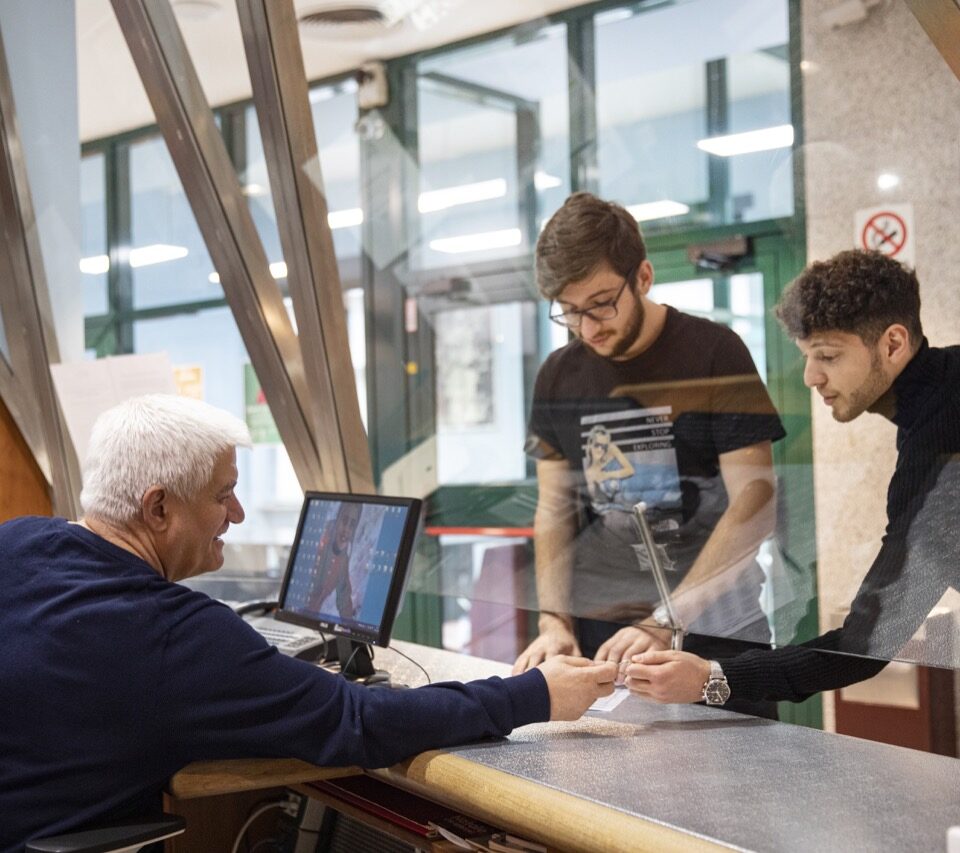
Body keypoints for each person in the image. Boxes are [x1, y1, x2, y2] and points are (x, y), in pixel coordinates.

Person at [0, 394, 616, 851]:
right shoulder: (173, 634)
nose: (237, 513)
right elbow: (361, 721)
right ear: (158, 506)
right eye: (223, 494)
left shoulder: (19, 542)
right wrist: (535, 693)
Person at [623, 249, 960, 706]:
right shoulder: (939, 401)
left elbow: (867, 643)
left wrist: (712, 679)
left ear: (893, 344)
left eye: (827, 356)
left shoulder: (937, 444)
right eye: (806, 356)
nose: (810, 377)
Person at [512, 192, 786, 719]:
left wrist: (666, 619)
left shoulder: (714, 351)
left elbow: (756, 505)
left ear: (643, 276)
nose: (588, 327)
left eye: (601, 304)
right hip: (604, 637)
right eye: (569, 312)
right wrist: (554, 621)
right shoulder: (557, 374)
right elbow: (554, 510)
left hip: (715, 634)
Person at [309, 501, 363, 618]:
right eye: (344, 520)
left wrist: (353, 630)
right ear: (338, 518)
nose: (346, 530)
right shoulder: (319, 540)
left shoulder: (342, 560)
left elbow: (344, 599)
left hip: (307, 622)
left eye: (352, 525)